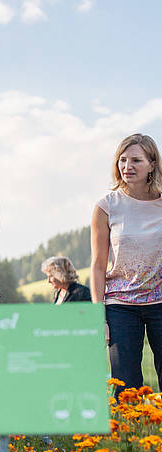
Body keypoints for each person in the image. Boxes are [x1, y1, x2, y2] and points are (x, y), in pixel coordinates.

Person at [91, 133, 162, 393]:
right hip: (121, 306)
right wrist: (98, 314)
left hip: (161, 303)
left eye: (136, 160)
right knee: (126, 387)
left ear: (152, 164)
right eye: (122, 160)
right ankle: (129, 435)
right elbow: (98, 265)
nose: (127, 166)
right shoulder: (106, 206)